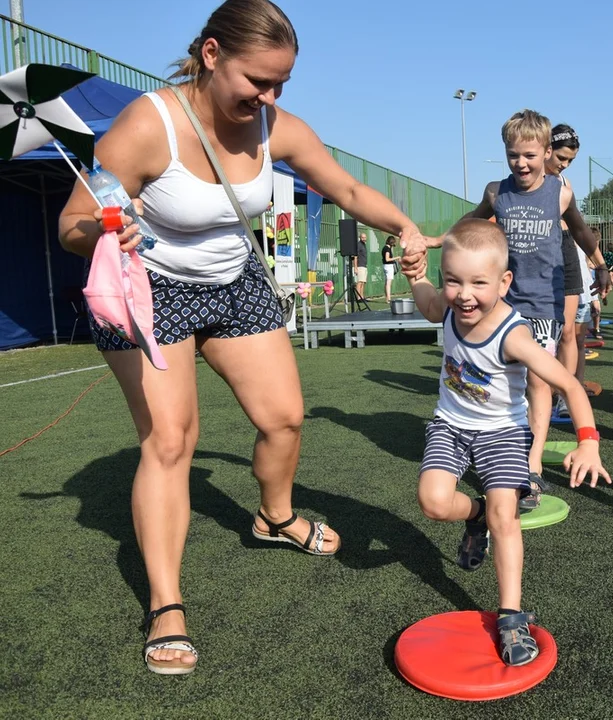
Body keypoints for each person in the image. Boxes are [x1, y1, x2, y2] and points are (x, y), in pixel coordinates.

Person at [57, 0, 432, 676]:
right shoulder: (150, 124)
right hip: (149, 291)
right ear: (210, 55)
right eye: (257, 81)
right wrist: (106, 230)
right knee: (170, 440)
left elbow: (343, 186)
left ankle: (274, 517)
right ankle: (166, 603)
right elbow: (72, 222)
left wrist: (400, 226)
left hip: (236, 284)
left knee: (284, 419)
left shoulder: (274, 125)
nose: (268, 96)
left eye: (280, 83)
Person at [403, 218, 609, 666]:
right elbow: (428, 305)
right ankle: (473, 516)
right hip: (451, 425)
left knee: (507, 517)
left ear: (504, 281)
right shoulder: (451, 307)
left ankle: (511, 615)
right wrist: (416, 277)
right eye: (453, 281)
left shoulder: (513, 334)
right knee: (434, 503)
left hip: (502, 433)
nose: (465, 294)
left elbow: (571, 386)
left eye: (479, 282)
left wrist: (588, 441)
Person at [402, 109, 610, 508]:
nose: (521, 163)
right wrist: (434, 241)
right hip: (500, 297)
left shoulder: (560, 192)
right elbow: (470, 225)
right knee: (494, 374)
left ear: (547, 153)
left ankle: (529, 467)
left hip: (542, 302)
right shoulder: (497, 192)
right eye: (513, 154)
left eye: (530, 155)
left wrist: (599, 263)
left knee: (539, 382)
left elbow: (581, 230)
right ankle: (482, 436)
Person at [548, 125, 586, 417]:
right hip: (536, 254)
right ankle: (534, 395)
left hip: (565, 249)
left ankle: (564, 397)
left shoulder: (565, 184)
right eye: (561, 157)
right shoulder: (526, 180)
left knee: (568, 331)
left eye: (570, 160)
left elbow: (577, 225)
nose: (564, 164)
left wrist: (598, 260)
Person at [382, 235, 400, 303]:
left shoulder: (385, 248)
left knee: (386, 283)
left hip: (385, 266)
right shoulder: (387, 249)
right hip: (388, 266)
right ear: (391, 242)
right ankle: (388, 298)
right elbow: (387, 259)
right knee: (388, 283)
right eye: (393, 242)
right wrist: (396, 258)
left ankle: (387, 298)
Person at [351, 229, 369, 299]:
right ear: (360, 238)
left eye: (365, 237)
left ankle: (362, 297)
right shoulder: (359, 245)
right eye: (362, 237)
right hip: (359, 266)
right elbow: (355, 256)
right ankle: (358, 297)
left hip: (364, 266)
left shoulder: (364, 245)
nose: (364, 239)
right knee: (359, 282)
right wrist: (355, 267)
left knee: (363, 282)